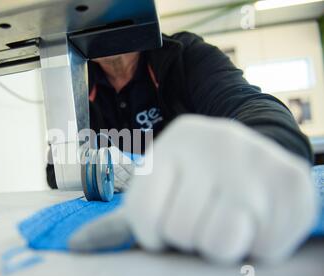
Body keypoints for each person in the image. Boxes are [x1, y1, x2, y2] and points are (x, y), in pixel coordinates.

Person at [48, 32, 318, 264]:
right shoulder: (77, 84)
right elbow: (53, 169)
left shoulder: (186, 56)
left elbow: (249, 104)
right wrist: (96, 166)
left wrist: (261, 154)